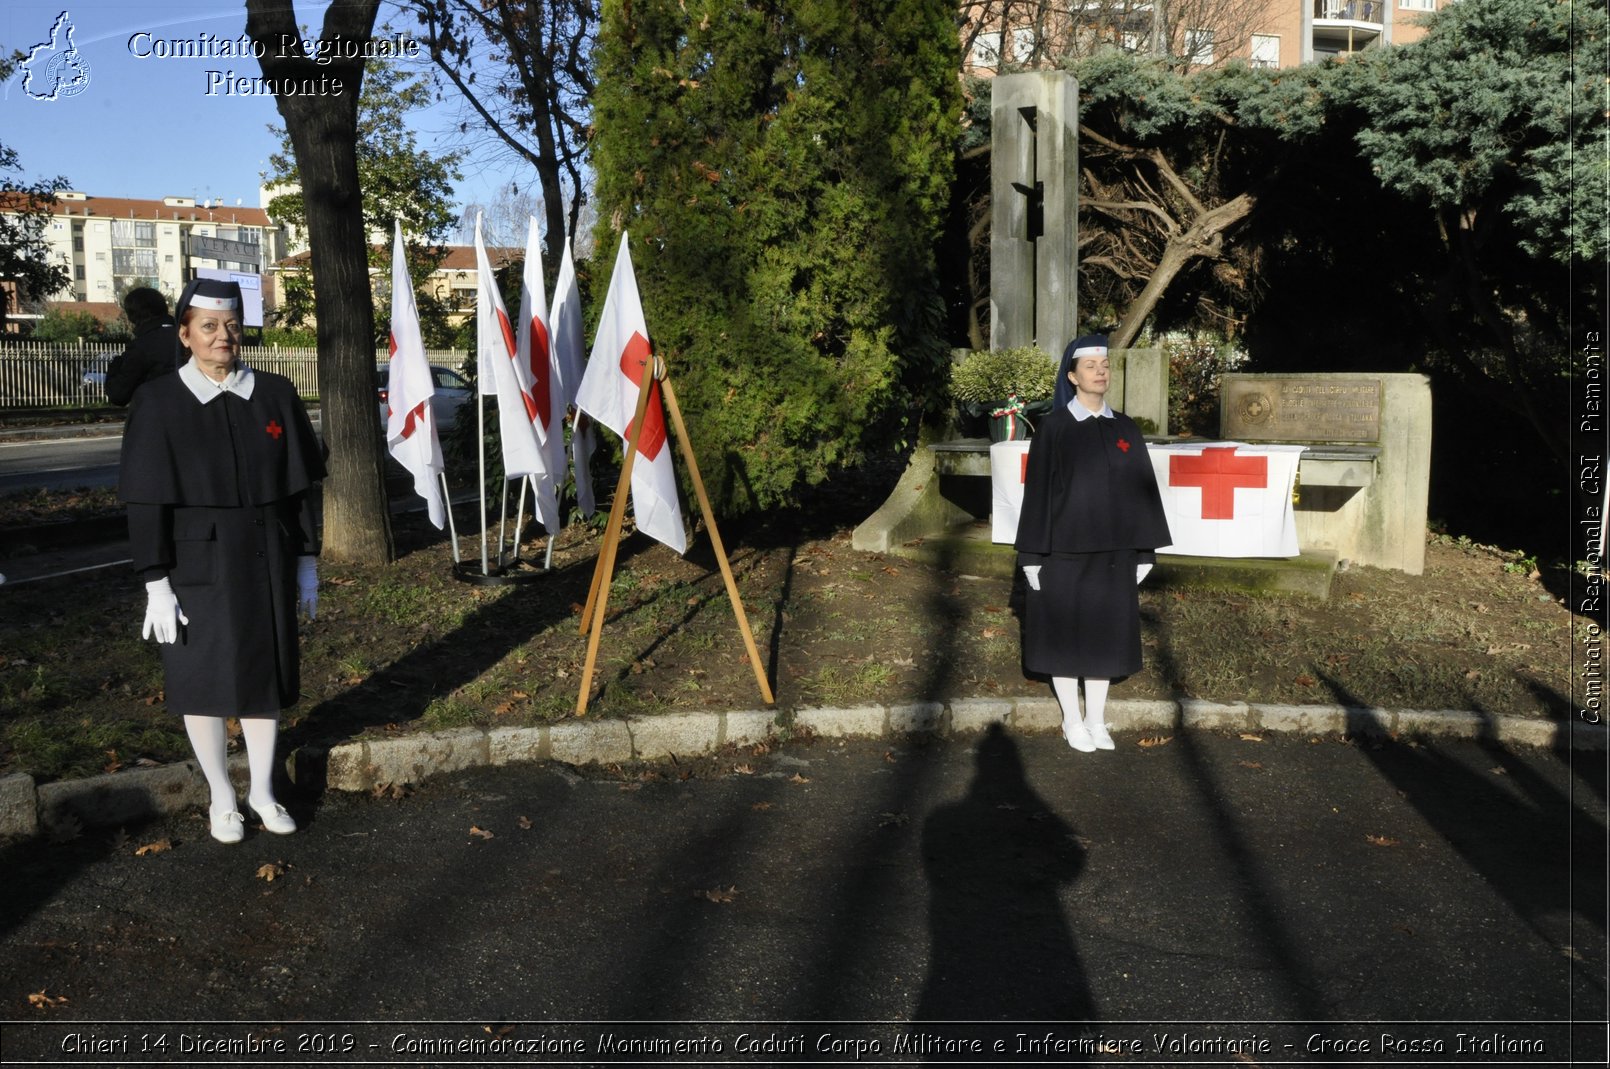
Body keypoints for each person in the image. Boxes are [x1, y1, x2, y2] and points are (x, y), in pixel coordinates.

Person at [118, 278, 325, 843]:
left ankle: (262, 789)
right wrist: (155, 580)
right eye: (208, 326)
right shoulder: (158, 402)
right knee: (203, 681)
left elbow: (298, 490)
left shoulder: (275, 393)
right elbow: (145, 498)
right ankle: (221, 795)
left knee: (264, 678)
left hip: (267, 559)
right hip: (194, 569)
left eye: (230, 325)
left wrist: (306, 560)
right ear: (184, 334)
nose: (222, 336)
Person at [1014, 334, 1171, 752]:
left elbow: (1142, 490)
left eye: (1104, 366)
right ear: (1072, 376)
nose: (1100, 373)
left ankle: (1097, 719)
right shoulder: (1055, 428)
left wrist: (1144, 550)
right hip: (1062, 552)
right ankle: (1072, 720)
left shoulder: (1125, 428)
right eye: (1090, 367)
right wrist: (1032, 555)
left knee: (1104, 637)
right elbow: (1038, 494)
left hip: (1115, 554)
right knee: (1065, 637)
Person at [104, 287, 178, 405]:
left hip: (155, 415)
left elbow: (118, 394)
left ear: (132, 316)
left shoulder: (142, 347)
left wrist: (116, 364)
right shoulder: (188, 338)